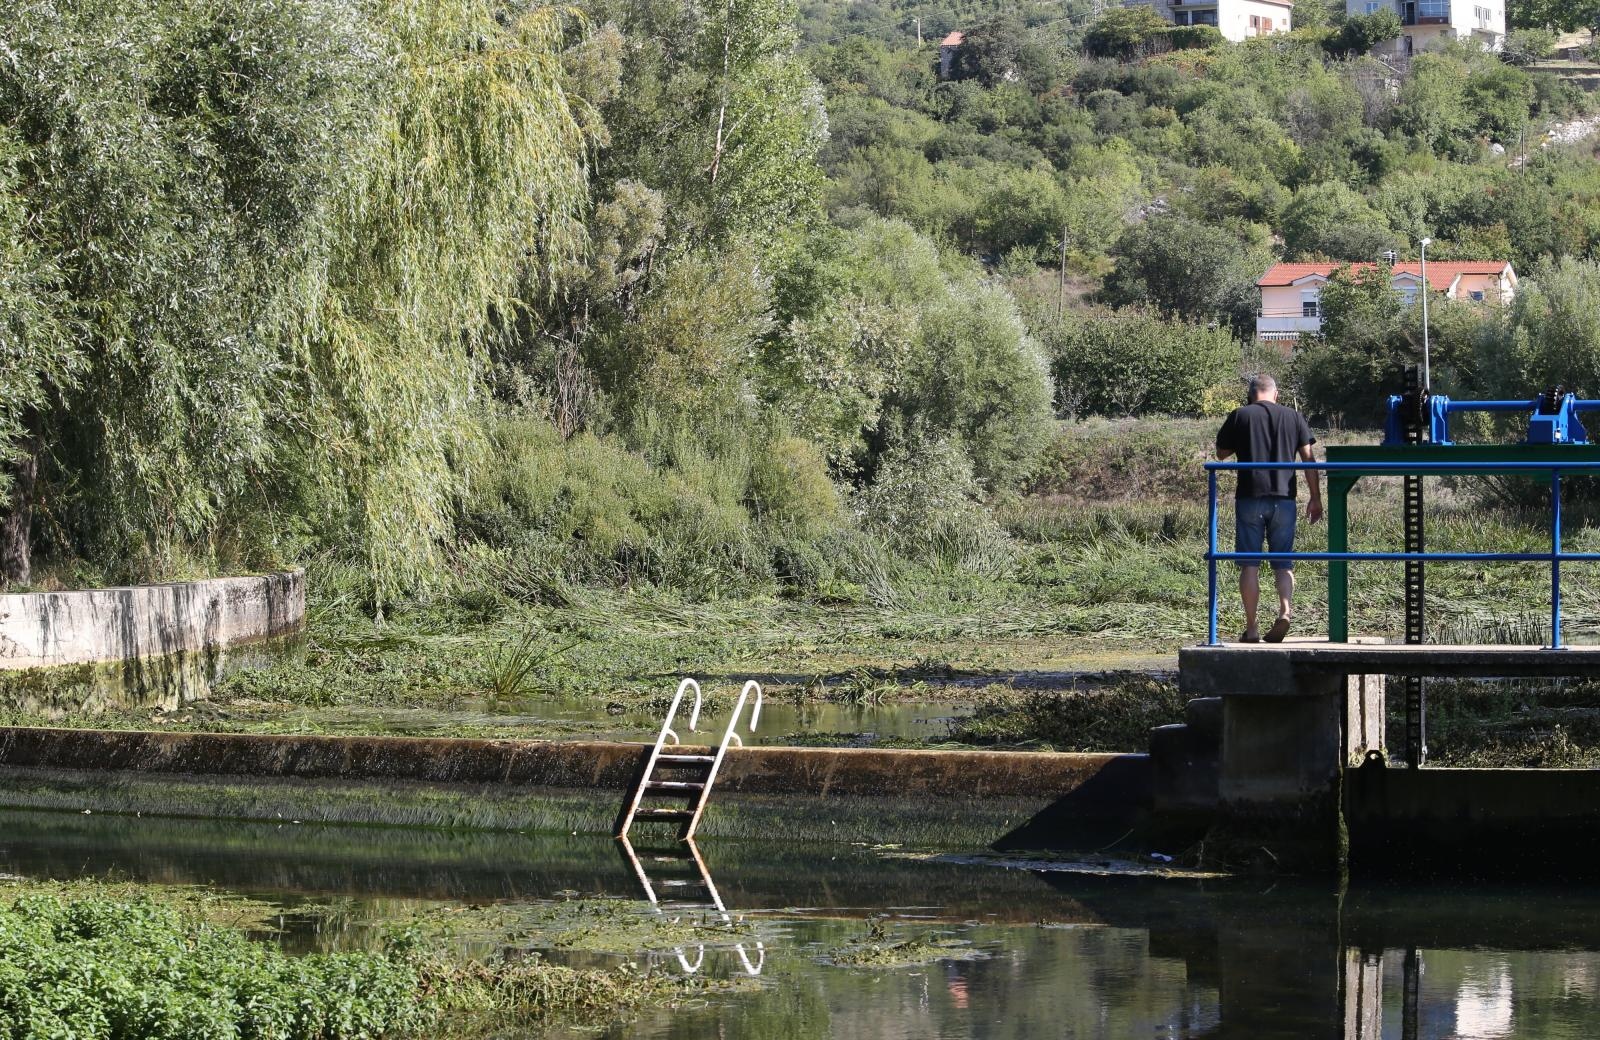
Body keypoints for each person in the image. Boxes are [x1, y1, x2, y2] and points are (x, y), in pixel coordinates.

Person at [1215, 374, 1321, 643]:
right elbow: (1309, 459)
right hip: (1284, 497)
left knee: (1249, 565)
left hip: (1250, 497)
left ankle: (1251, 629)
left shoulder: (1240, 415)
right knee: (1283, 562)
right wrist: (1315, 497)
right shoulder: (1294, 417)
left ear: (1251, 395)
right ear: (1276, 394)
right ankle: (1285, 611)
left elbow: (1221, 454)